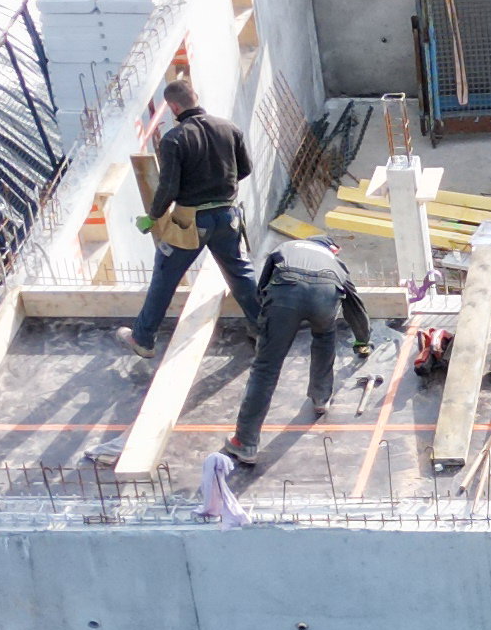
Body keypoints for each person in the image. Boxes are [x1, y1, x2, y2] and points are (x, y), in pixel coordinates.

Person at [121, 76, 257, 366]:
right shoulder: (229, 128)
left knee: (165, 275)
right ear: (195, 98)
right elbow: (244, 169)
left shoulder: (174, 139)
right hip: (228, 216)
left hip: (190, 221)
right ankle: (264, 331)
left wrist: (153, 216)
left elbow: (168, 188)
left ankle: (143, 339)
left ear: (173, 107)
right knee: (240, 273)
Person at [225, 236, 373, 467]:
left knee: (266, 368)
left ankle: (245, 443)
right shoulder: (337, 264)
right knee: (324, 336)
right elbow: (355, 306)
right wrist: (363, 341)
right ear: (333, 250)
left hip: (285, 295)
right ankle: (321, 397)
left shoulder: (285, 247)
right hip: (324, 295)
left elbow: (262, 289)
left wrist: (266, 325)